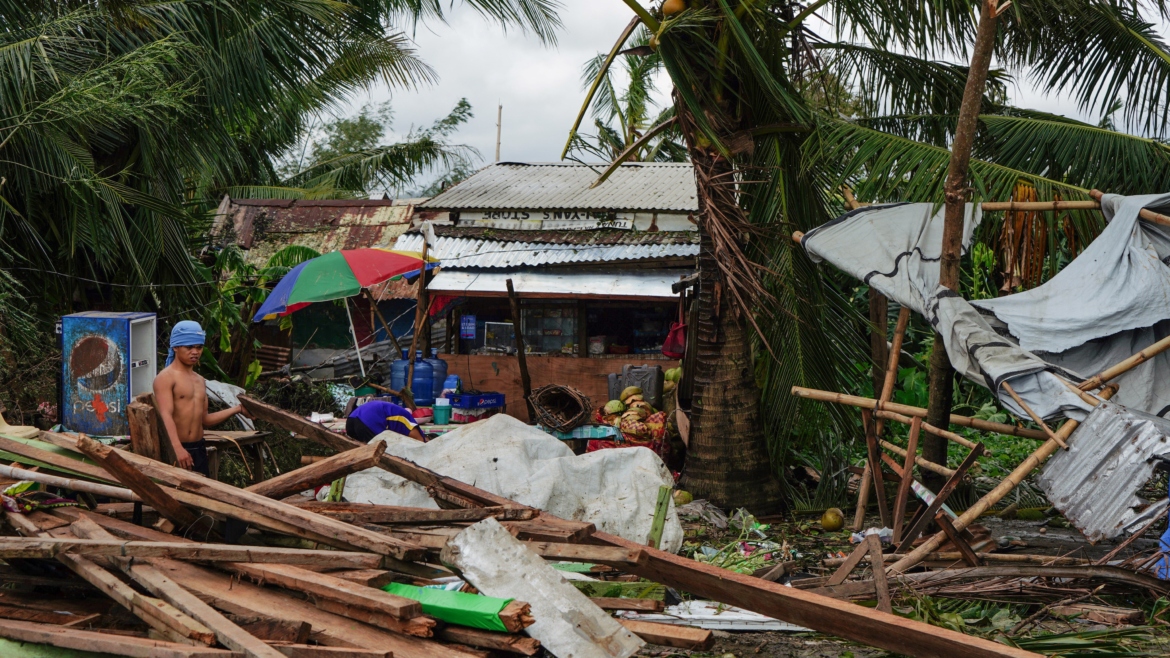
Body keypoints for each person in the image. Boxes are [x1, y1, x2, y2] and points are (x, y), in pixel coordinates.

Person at [153, 321, 248, 475]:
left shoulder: (200, 380)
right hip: (176, 448)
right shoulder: (166, 378)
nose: (195, 352)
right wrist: (177, 448)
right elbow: (165, 415)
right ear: (176, 347)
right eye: (189, 347)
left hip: (199, 447)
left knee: (202, 496)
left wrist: (237, 409)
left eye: (199, 347)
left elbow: (205, 420)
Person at [346, 399, 425, 443]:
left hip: (351, 419)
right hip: (367, 420)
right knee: (381, 452)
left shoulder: (401, 415)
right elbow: (420, 443)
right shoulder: (412, 424)